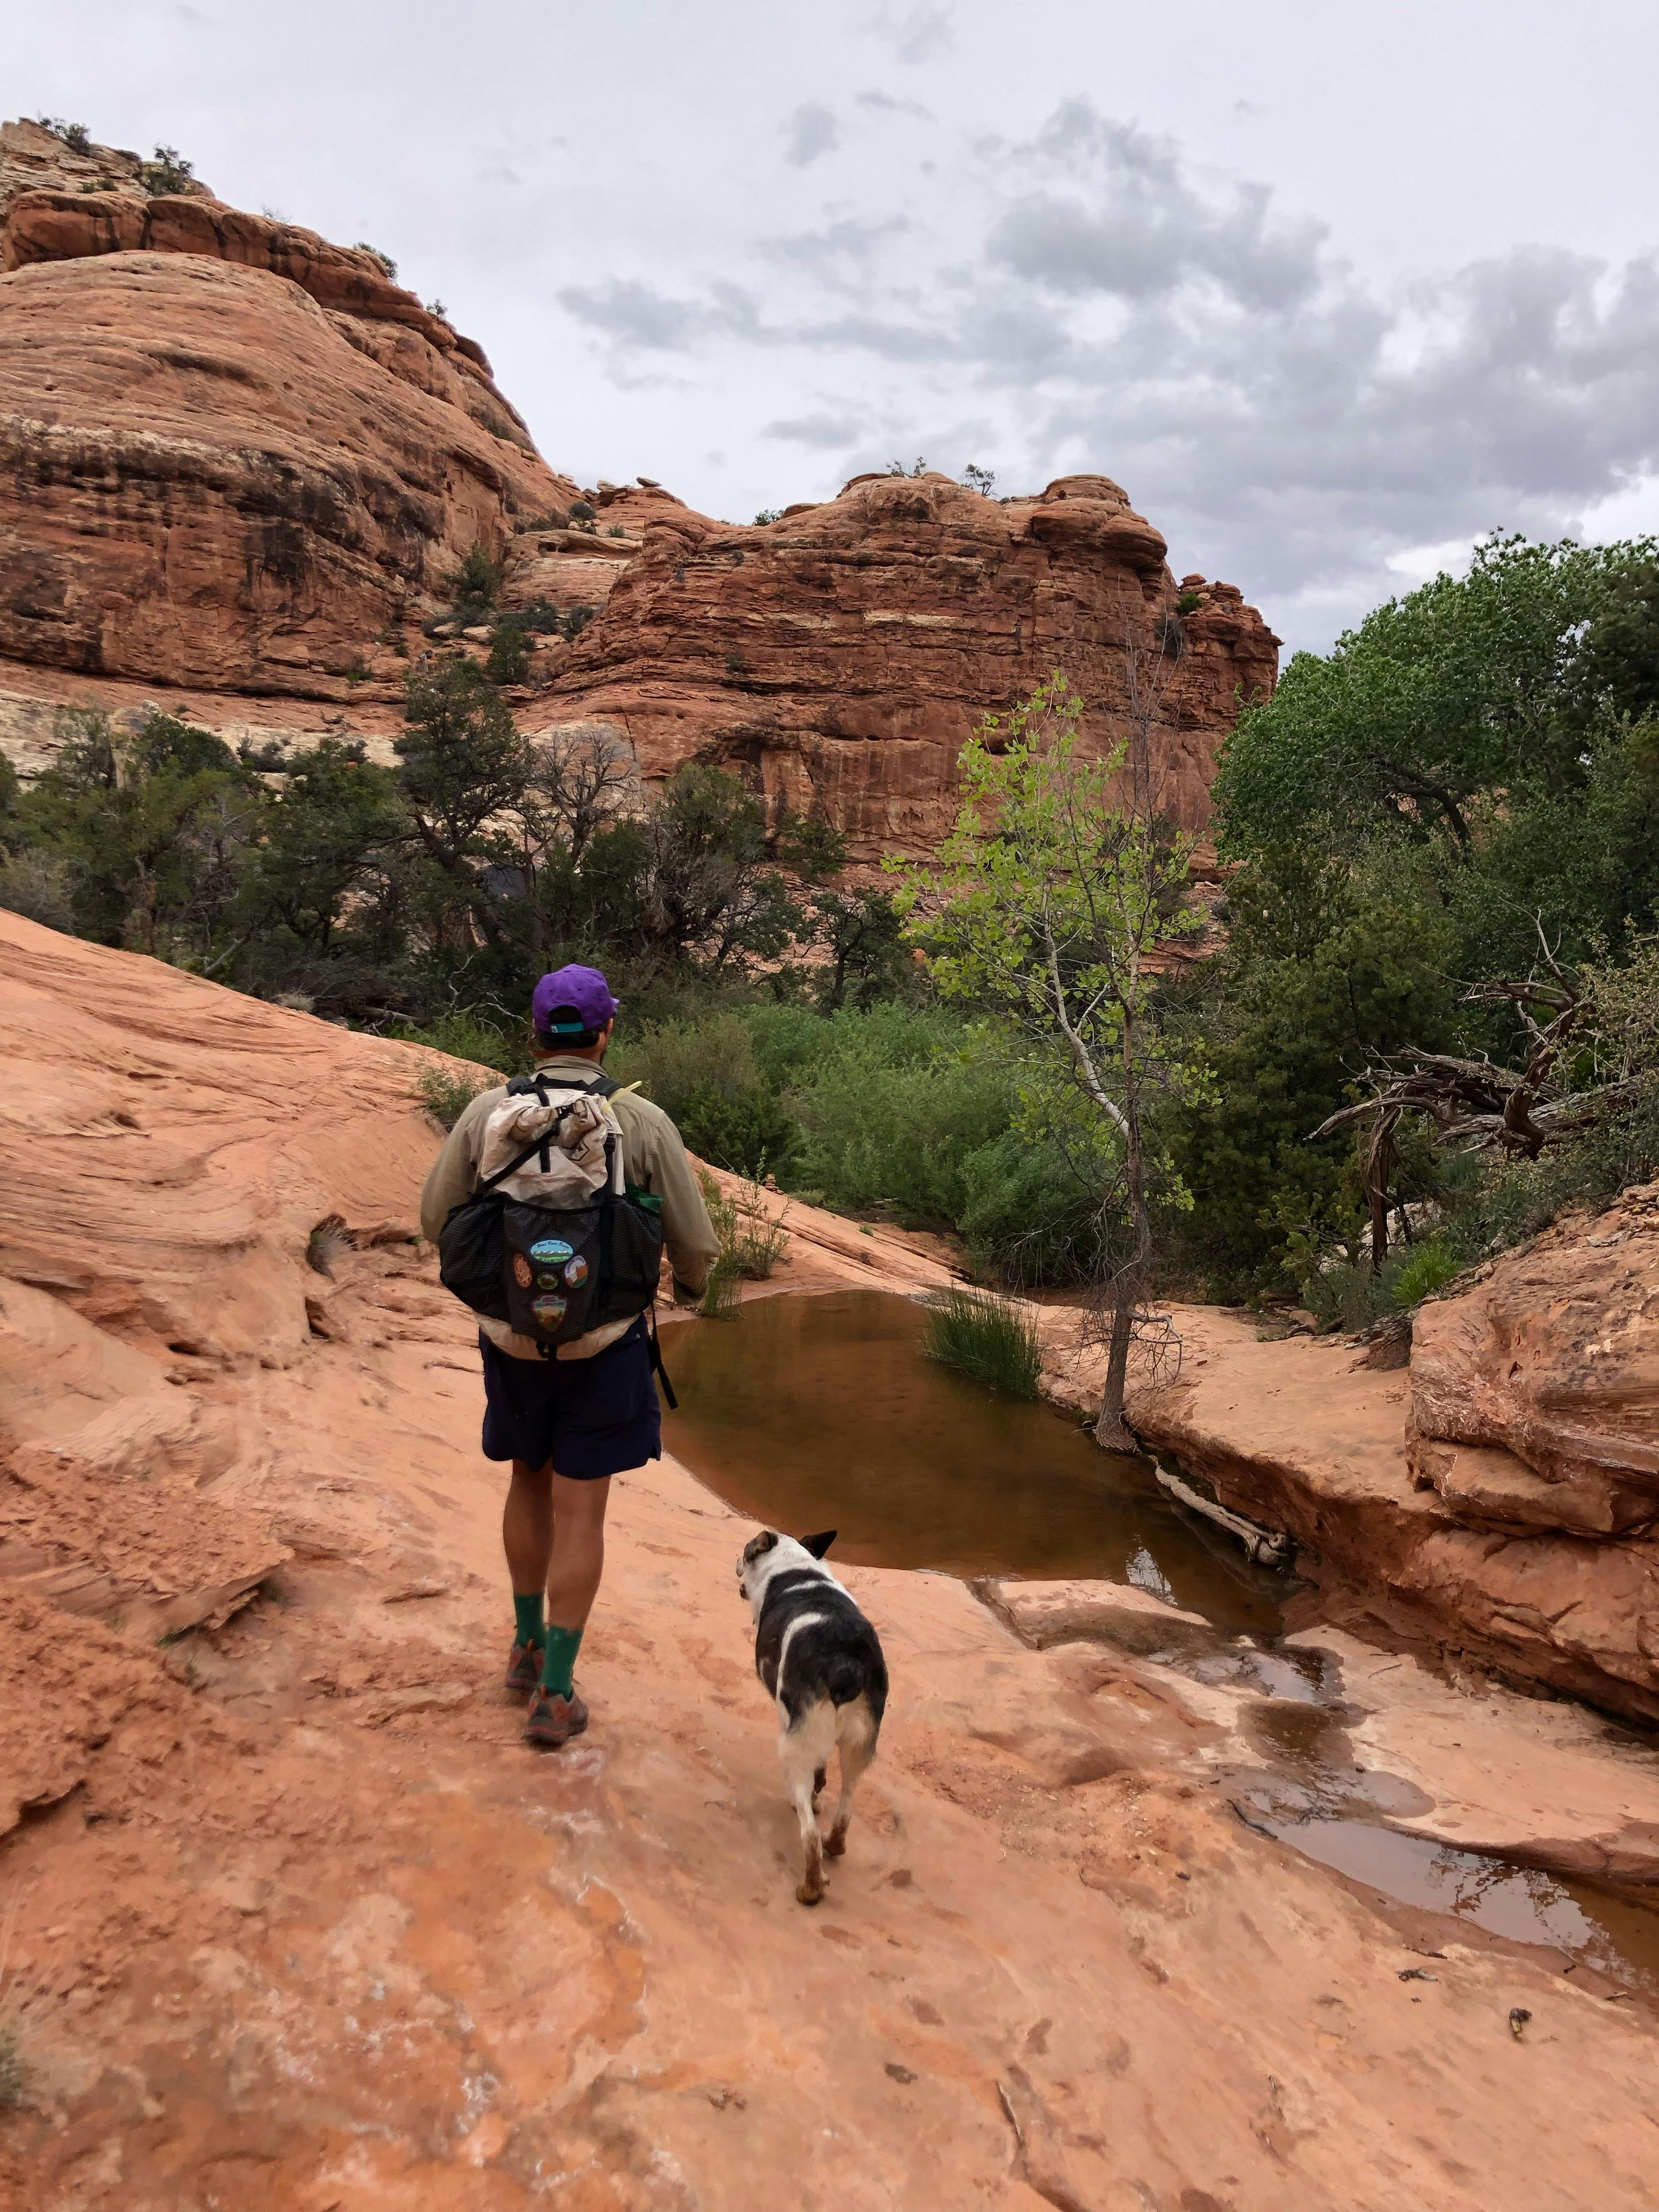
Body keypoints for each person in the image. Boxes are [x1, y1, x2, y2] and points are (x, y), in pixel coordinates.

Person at [420, 964, 720, 1750]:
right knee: (582, 1510)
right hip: (604, 1343)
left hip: (514, 1340)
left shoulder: (490, 1111)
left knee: (528, 1479)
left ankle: (521, 1649)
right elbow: (692, 1243)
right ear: (605, 1031)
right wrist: (690, 1291)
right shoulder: (639, 1120)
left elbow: (434, 1217)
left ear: (533, 1030)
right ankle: (555, 1692)